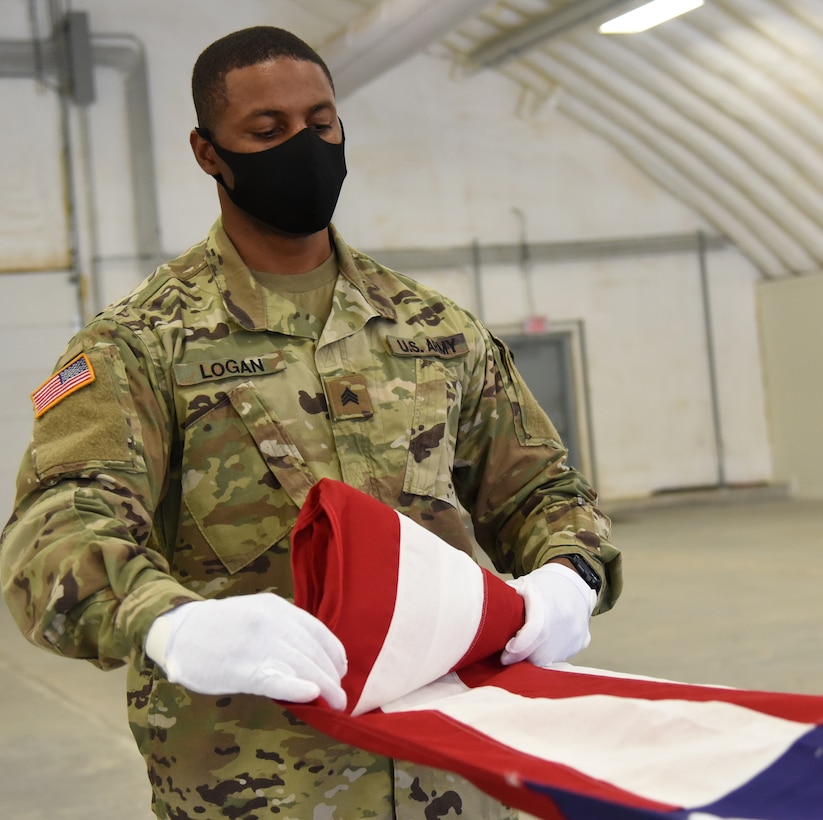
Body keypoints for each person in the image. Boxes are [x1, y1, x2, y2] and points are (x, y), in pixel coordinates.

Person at [0, 25, 622, 820]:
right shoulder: (138, 345)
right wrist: (169, 620)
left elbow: (540, 489)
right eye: (267, 131)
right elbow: (57, 529)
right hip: (260, 786)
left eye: (320, 124)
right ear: (207, 152)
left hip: (454, 774)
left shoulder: (433, 328)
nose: (304, 145)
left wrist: (569, 574)